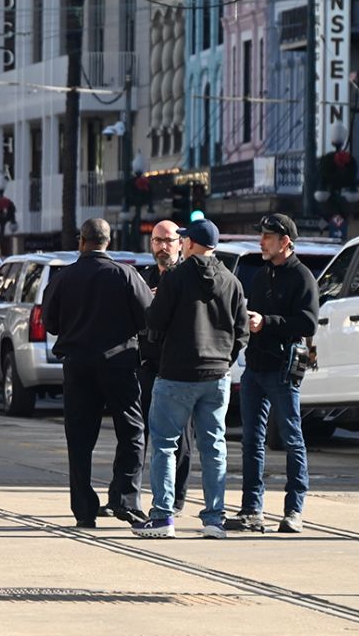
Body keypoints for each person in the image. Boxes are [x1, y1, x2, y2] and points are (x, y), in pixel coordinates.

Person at [134, 219, 249, 539]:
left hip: (176, 374)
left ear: (192, 243)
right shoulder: (231, 281)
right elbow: (241, 332)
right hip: (217, 376)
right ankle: (214, 519)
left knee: (164, 446)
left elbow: (154, 321)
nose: (180, 244)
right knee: (214, 447)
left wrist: (162, 346)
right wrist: (226, 360)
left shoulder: (175, 278)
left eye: (183, 240)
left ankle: (162, 517)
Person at [39, 217, 152, 528]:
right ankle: (125, 500)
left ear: (81, 241)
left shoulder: (64, 278)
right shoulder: (126, 275)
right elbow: (148, 318)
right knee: (131, 433)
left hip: (77, 366)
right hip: (119, 364)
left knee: (79, 439)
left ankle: (84, 510)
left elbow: (50, 323)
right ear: (108, 241)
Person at [233, 213, 319, 534]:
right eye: (262, 236)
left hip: (283, 370)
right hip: (254, 368)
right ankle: (251, 510)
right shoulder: (259, 276)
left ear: (285, 241)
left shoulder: (302, 277)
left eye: (268, 237)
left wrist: (267, 322)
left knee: (291, 438)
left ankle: (294, 510)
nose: (261, 241)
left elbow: (308, 323)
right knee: (251, 442)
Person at [137, 219, 191, 512]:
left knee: (181, 438)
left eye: (168, 241)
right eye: (157, 241)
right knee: (141, 432)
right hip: (148, 365)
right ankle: (134, 495)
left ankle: (177, 498)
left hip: (180, 368)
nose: (162, 247)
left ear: (181, 243)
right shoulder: (143, 279)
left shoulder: (187, 277)